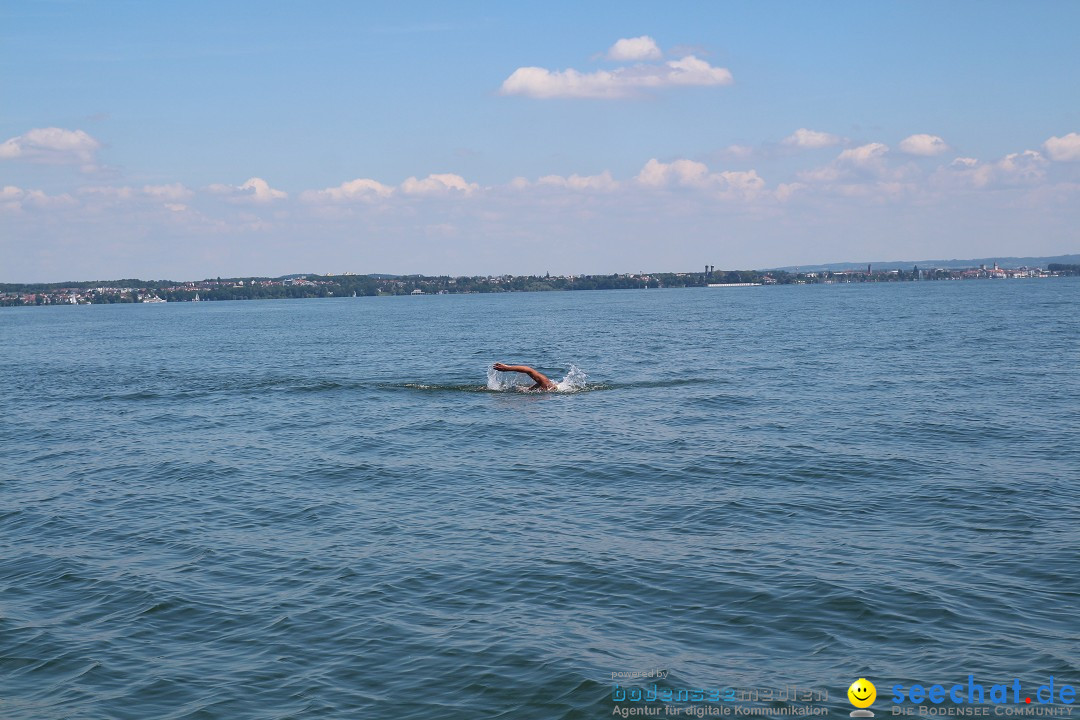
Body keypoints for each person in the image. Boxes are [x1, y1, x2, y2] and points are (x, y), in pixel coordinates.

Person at [493, 362, 557, 391]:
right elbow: (529, 370)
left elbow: (529, 370)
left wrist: (507, 368)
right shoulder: (548, 385)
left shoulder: (548, 386)